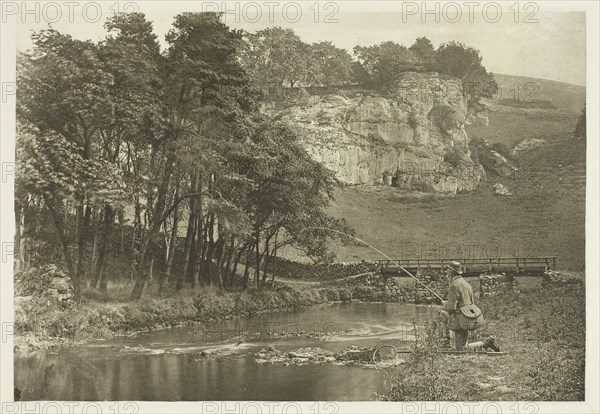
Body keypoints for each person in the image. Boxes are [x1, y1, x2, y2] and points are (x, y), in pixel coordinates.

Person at [438, 260, 475, 350]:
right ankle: (486, 343)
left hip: (459, 320)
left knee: (442, 313)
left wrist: (445, 305)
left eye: (448, 269)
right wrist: (447, 303)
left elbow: (451, 307)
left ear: (451, 272)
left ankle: (446, 342)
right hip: (468, 317)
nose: (446, 271)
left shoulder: (454, 285)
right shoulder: (466, 284)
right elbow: (471, 304)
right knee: (463, 347)